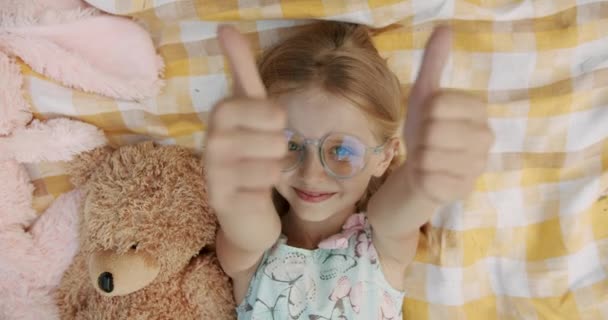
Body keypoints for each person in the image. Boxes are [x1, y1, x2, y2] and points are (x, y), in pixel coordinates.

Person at [204, 21, 494, 319]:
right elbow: (251, 229)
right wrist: (238, 191)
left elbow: (393, 218)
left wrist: (419, 181)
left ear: (384, 157)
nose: (311, 173)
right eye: (290, 145)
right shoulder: (254, 253)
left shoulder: (382, 248)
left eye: (342, 151)